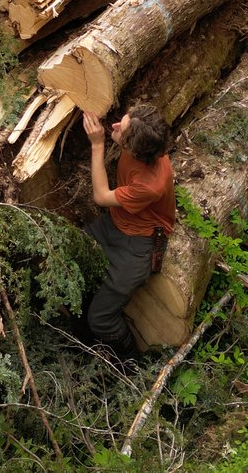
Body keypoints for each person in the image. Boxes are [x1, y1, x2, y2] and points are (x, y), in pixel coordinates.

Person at [81, 102, 176, 359]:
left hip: (137, 247)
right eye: (123, 120)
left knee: (100, 319)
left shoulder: (150, 184)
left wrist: (97, 145)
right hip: (113, 223)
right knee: (75, 257)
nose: (114, 126)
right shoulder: (146, 140)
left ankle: (131, 364)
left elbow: (101, 197)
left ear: (133, 149)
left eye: (120, 130)